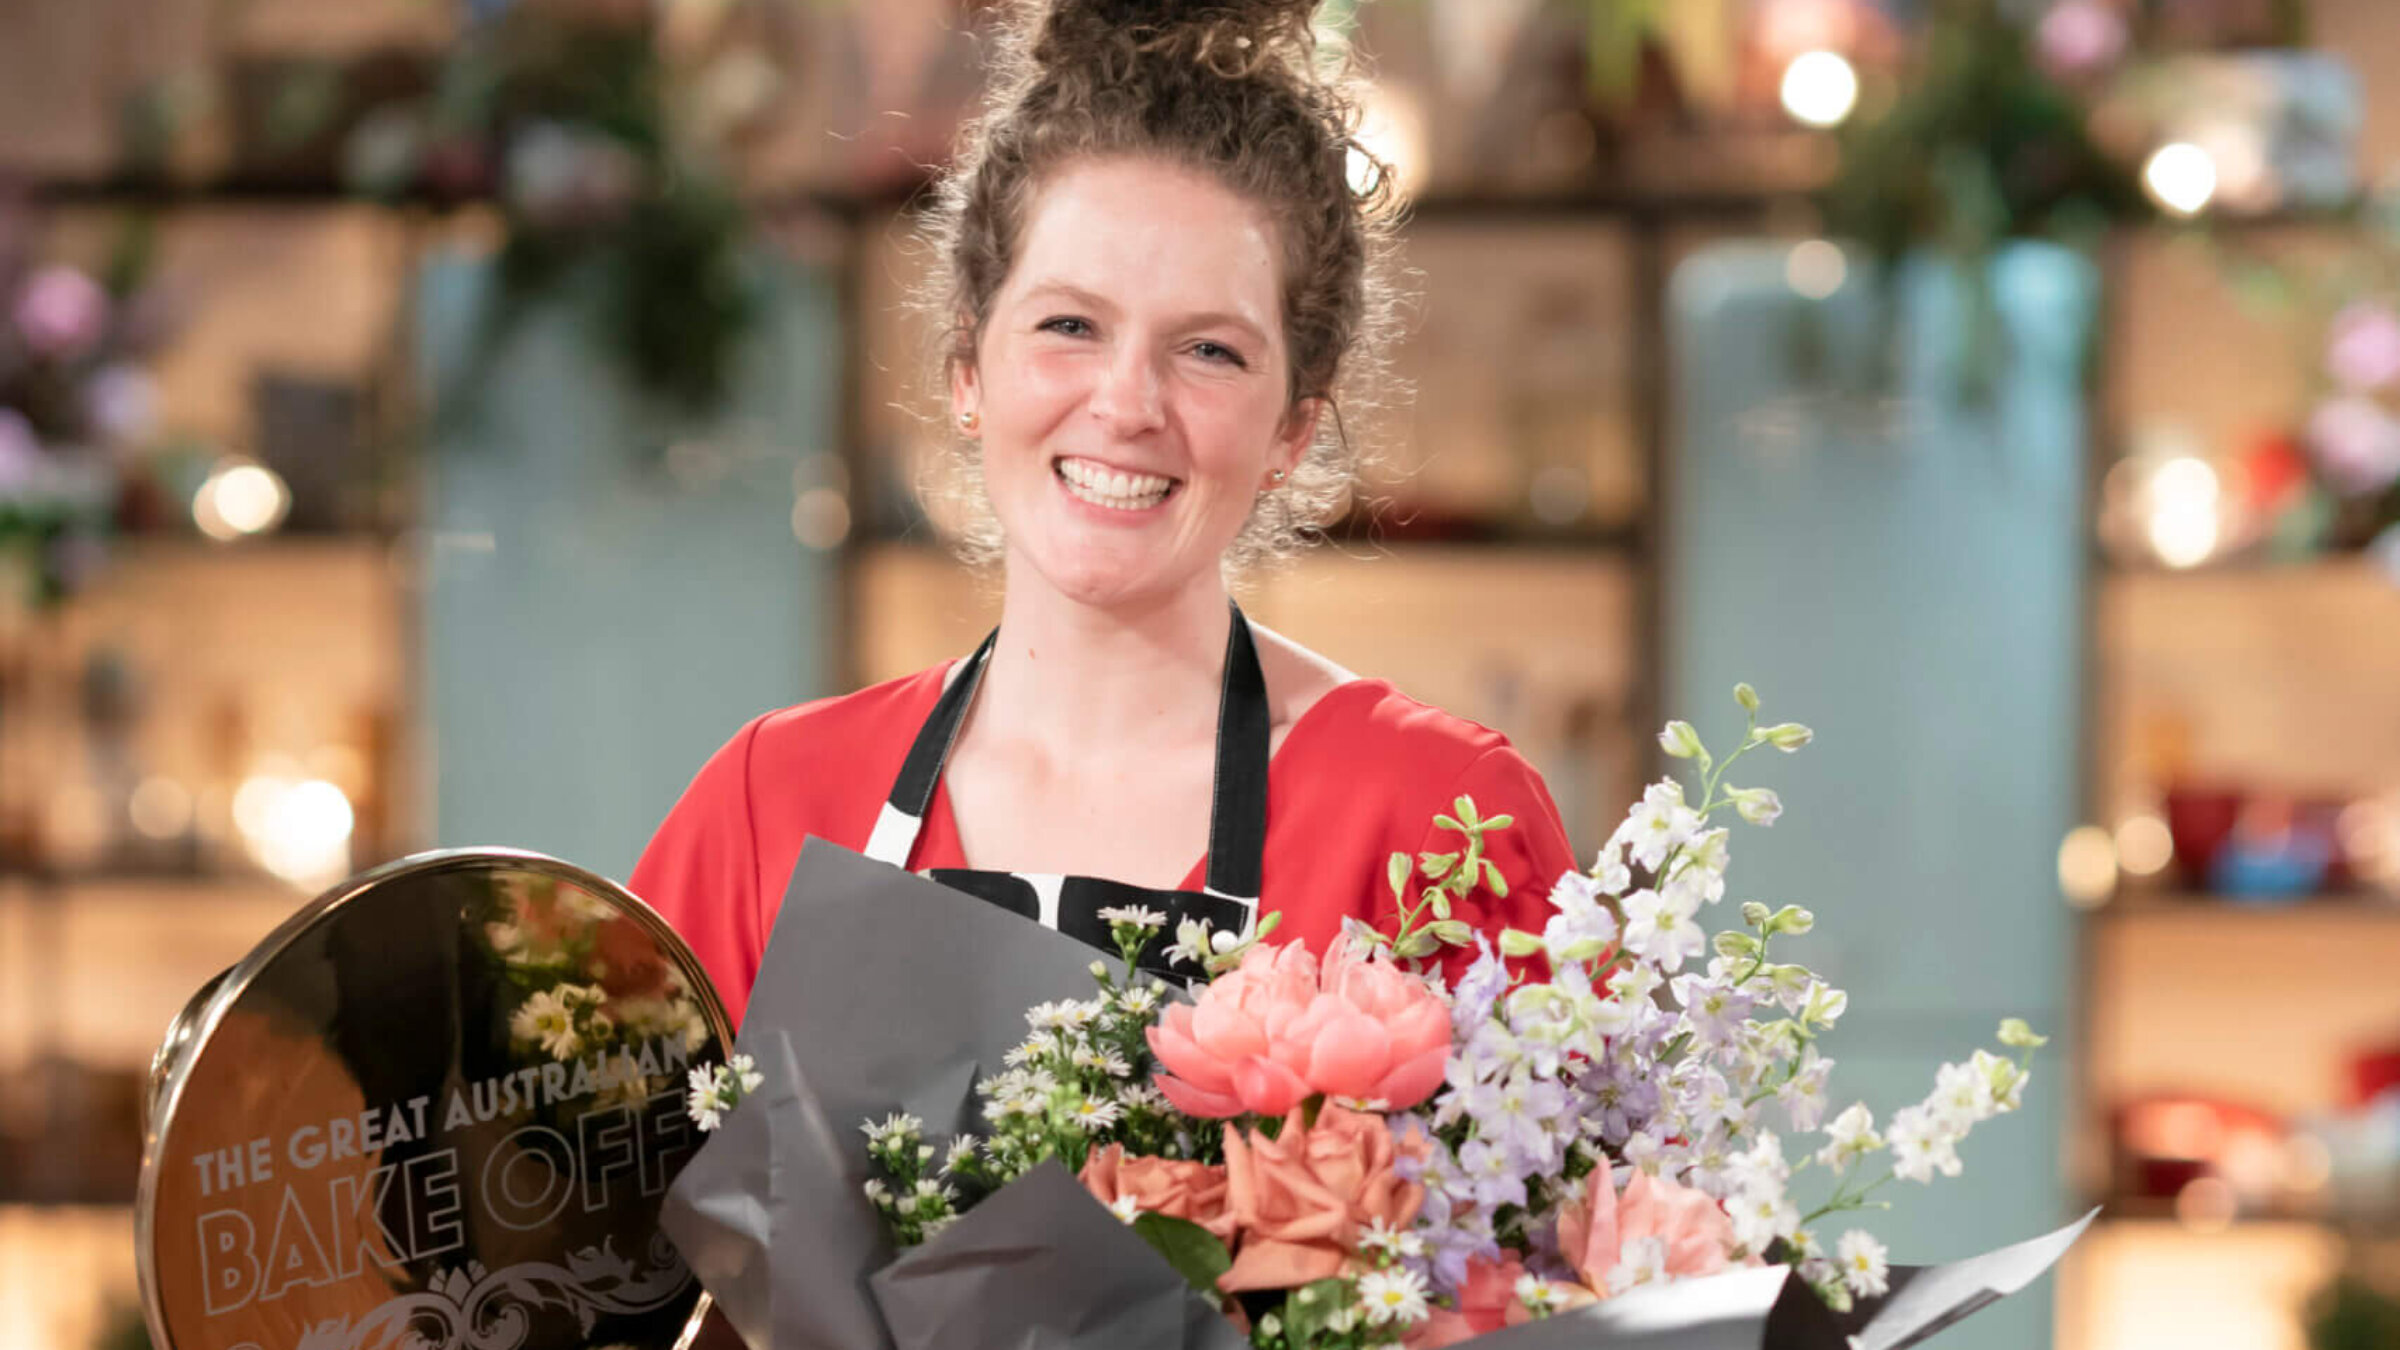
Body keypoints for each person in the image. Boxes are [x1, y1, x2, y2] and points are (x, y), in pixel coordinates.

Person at [632, 0, 1579, 1022]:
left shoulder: (1436, 822)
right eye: (1070, 324)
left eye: (1209, 350)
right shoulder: (769, 806)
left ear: (1293, 430)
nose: (1126, 406)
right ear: (967, 372)